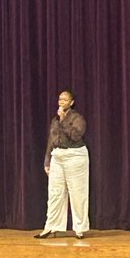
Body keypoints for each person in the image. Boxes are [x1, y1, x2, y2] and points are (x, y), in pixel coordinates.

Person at [35, 89, 89, 239]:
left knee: (77, 193)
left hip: (75, 156)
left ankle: (79, 228)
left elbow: (75, 135)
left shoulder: (78, 118)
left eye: (65, 100)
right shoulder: (55, 120)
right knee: (55, 193)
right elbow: (51, 140)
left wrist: (64, 119)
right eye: (60, 99)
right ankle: (51, 227)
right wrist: (47, 160)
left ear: (71, 102)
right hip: (57, 156)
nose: (61, 102)